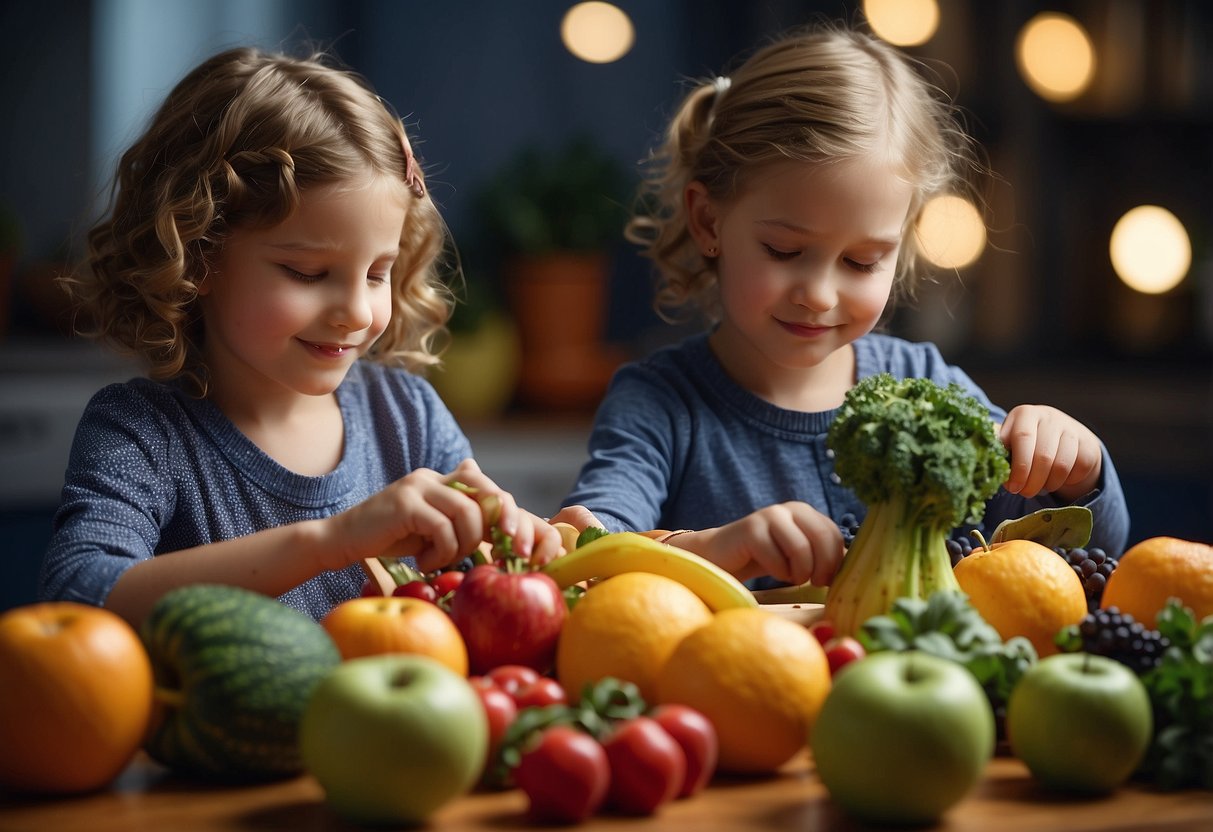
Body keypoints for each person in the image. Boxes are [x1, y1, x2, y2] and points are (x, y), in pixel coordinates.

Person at [556, 24, 1130, 590]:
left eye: (861, 262)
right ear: (709, 221)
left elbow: (1088, 560)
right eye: (784, 250)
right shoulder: (660, 404)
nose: (820, 294)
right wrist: (708, 549)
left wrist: (1077, 474)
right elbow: (583, 551)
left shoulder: (924, 388)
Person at [39, 47, 561, 626]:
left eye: (377, 273)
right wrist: (328, 542)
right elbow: (78, 597)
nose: (356, 312)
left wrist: (511, 545)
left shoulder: (407, 416)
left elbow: (471, 590)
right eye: (308, 274)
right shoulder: (141, 434)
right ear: (197, 254)